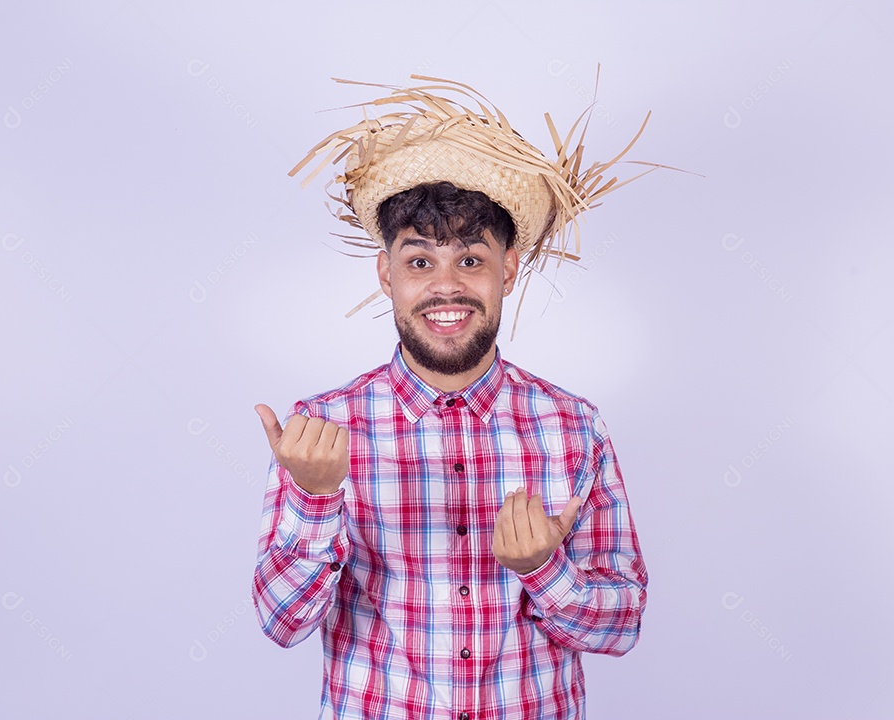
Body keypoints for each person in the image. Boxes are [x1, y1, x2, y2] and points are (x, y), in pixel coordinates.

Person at [252, 74, 663, 720]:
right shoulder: (321, 429)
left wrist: (544, 571)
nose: (447, 287)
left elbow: (622, 627)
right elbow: (281, 623)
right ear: (386, 273)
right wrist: (314, 500)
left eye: (470, 260)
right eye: (419, 262)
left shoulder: (574, 427)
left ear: (508, 268)